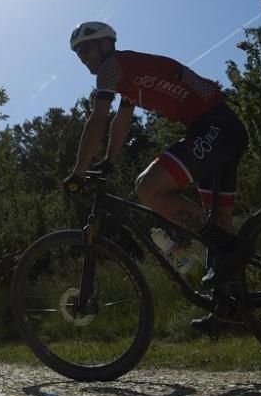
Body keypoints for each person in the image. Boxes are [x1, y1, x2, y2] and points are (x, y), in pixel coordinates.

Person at [63, 21, 250, 325]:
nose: (84, 57)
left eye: (86, 49)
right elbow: (119, 123)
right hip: (220, 127)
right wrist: (109, 161)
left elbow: (98, 119)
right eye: (78, 54)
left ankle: (228, 255)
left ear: (106, 44)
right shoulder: (128, 76)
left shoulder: (113, 67)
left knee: (148, 188)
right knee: (219, 223)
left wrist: (77, 172)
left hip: (213, 125)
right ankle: (229, 309)